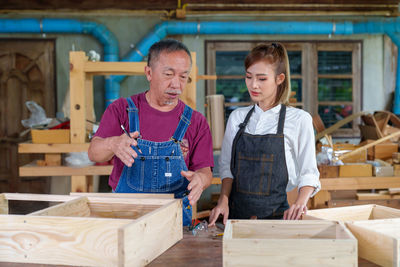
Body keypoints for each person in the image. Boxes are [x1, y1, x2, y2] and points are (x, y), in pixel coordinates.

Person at [88, 39, 214, 226]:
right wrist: (112, 143)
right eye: (168, 74)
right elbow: (93, 153)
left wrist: (201, 179)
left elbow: (205, 170)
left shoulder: (196, 121)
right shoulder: (121, 109)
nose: (176, 84)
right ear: (149, 73)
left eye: (183, 76)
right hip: (126, 217)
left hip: (174, 218)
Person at [209, 42, 320, 226]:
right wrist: (223, 200)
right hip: (235, 217)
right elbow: (227, 167)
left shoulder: (299, 120)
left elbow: (308, 172)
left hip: (277, 218)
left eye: (261, 79)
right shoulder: (237, 118)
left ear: (279, 78)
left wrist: (299, 203)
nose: (253, 85)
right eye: (248, 77)